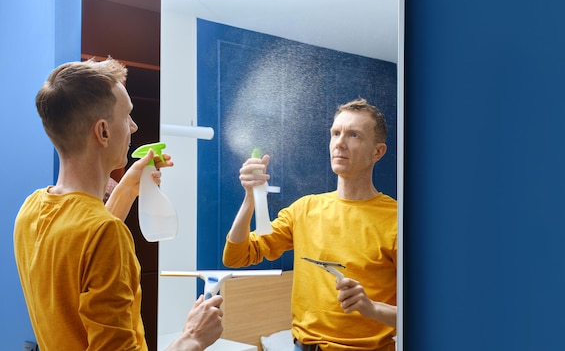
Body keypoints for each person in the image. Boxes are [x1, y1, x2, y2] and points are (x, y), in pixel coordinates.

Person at [14, 57, 224, 351]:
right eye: (127, 116)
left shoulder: (32, 209)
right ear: (103, 132)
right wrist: (192, 337)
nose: (135, 127)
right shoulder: (105, 233)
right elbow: (97, 237)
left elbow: (82, 252)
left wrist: (126, 189)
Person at [223, 98, 397, 350]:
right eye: (335, 133)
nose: (339, 143)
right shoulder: (304, 209)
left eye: (354, 135)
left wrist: (371, 309)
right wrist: (250, 196)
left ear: (377, 152)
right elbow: (236, 256)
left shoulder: (396, 219)